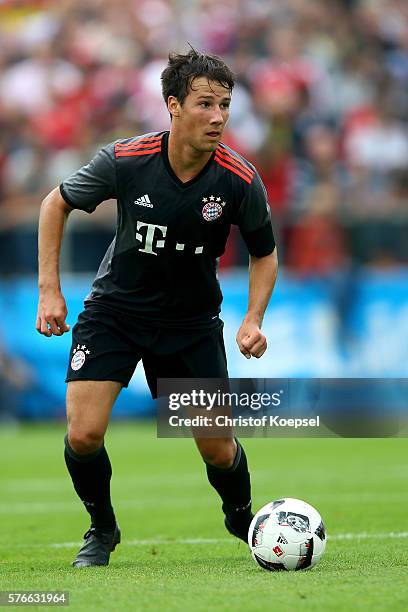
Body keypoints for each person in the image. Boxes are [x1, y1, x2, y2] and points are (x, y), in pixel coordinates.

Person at [37, 48, 278, 568]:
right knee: (82, 434)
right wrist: (49, 291)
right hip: (115, 312)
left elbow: (265, 253)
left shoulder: (239, 179)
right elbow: (54, 203)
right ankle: (102, 529)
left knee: (217, 449)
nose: (218, 117)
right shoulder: (126, 160)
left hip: (189, 325)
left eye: (225, 105)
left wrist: (253, 318)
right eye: (205, 104)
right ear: (172, 105)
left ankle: (241, 513)